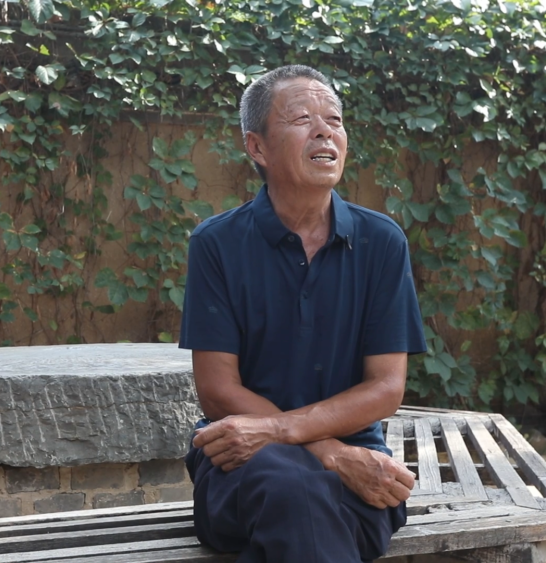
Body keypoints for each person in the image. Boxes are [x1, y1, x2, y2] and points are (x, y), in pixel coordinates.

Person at [178, 65, 428, 563]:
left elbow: (386, 387)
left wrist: (293, 435)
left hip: (362, 467)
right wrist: (330, 453)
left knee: (305, 506)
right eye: (301, 119)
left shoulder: (381, 242)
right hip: (242, 462)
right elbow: (218, 390)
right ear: (257, 148)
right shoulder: (217, 244)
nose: (324, 131)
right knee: (292, 490)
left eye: (334, 120)